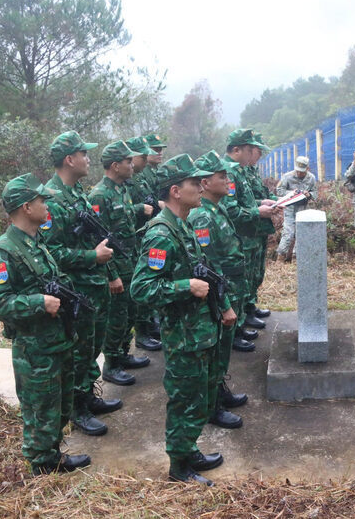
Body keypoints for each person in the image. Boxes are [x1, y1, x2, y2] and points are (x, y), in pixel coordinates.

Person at [131, 154, 236, 485]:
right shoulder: (161, 234)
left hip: (200, 331)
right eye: (194, 183)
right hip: (183, 336)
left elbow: (206, 271)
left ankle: (187, 449)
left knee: (197, 399)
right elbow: (142, 288)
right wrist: (185, 286)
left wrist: (223, 305)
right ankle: (178, 467)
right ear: (176, 191)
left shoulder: (184, 225)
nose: (200, 187)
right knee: (184, 400)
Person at [0, 173, 91, 475]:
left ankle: (52, 453)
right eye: (42, 201)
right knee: (41, 408)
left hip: (56, 340)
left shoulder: (35, 242)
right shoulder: (4, 252)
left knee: (59, 405)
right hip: (35, 350)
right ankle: (42, 466)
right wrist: (38, 303)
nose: (47, 206)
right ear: (26, 207)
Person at [42, 131, 121, 436]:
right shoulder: (51, 199)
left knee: (91, 348)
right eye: (84, 154)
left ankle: (87, 397)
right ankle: (78, 410)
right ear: (69, 159)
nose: (89, 159)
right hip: (75, 289)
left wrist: (107, 267)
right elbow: (51, 253)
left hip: (93, 286)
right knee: (78, 351)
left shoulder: (77, 193)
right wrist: (92, 256)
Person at [189, 150, 250, 429]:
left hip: (231, 288)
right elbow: (208, 266)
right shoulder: (202, 216)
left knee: (223, 349)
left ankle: (219, 392)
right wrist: (224, 303)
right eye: (221, 176)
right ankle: (212, 407)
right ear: (204, 183)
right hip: (219, 294)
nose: (228, 180)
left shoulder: (217, 207)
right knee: (216, 351)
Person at [88, 141, 153, 387]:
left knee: (128, 315)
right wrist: (111, 274)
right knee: (116, 318)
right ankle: (111, 365)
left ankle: (123, 354)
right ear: (115, 166)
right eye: (127, 161)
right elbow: (97, 239)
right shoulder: (99, 195)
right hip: (115, 269)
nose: (132, 165)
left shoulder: (122, 189)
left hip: (130, 264)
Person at [221, 129, 280, 345]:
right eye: (250, 150)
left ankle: (245, 316)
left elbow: (244, 202)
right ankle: (235, 329)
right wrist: (258, 211)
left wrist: (259, 204)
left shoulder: (239, 170)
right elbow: (230, 210)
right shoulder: (228, 172)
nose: (253, 155)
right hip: (238, 238)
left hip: (250, 235)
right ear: (237, 150)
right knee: (237, 284)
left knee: (249, 279)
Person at [129, 134, 167, 352]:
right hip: (137, 236)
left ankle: (150, 325)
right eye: (152, 150)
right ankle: (143, 332)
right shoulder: (132, 179)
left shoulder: (146, 175)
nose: (157, 153)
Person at [244, 131, 277, 321]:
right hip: (247, 230)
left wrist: (275, 200)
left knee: (256, 271)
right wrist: (259, 208)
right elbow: (237, 203)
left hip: (257, 229)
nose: (259, 156)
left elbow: (258, 194)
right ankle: (245, 311)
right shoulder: (233, 172)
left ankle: (250, 305)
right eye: (257, 152)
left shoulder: (250, 170)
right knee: (246, 273)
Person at [275, 155, 318, 261]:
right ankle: (280, 257)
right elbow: (279, 190)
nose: (299, 173)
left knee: (301, 232)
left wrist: (309, 195)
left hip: (303, 209)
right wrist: (292, 193)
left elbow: (315, 192)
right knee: (288, 233)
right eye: (297, 171)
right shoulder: (287, 177)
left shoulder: (311, 178)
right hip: (290, 208)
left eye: (302, 171)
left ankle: (297, 258)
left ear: (307, 169)